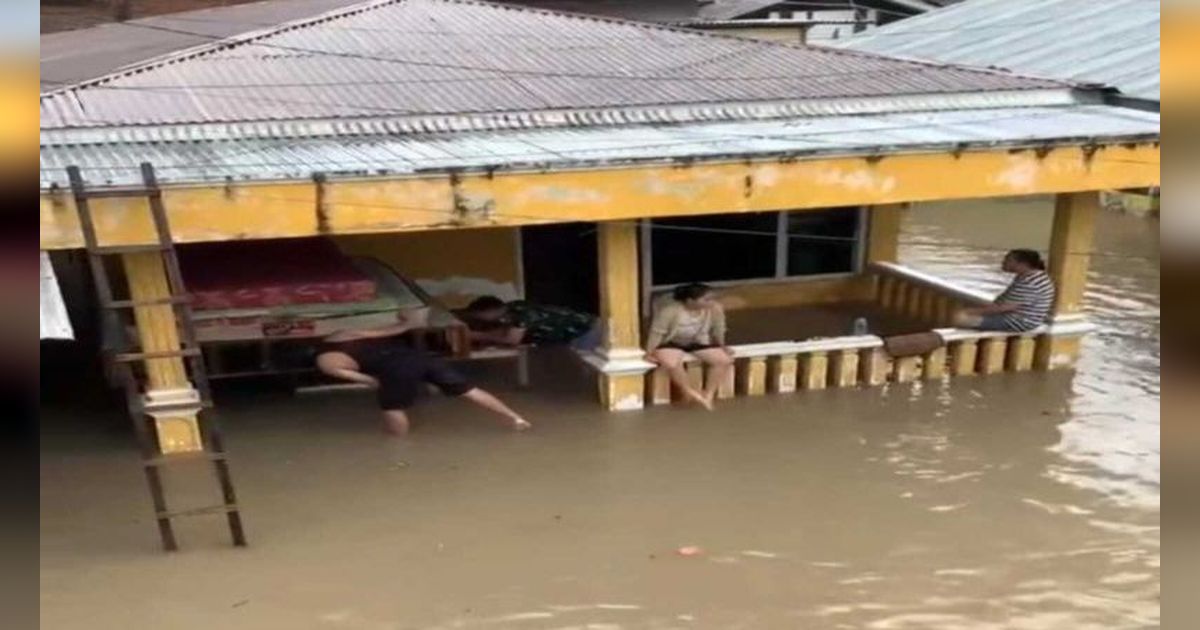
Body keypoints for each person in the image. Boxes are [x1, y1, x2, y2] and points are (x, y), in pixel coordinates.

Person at [316, 312, 531, 436]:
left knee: (392, 407)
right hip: (419, 356)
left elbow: (371, 381)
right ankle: (516, 418)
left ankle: (399, 445)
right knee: (468, 390)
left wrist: (391, 388)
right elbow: (394, 330)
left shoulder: (325, 363)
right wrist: (407, 322)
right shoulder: (340, 335)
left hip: (395, 368)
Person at [644, 283, 734, 410]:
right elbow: (657, 333)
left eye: (711, 299)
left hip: (698, 340)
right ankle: (689, 391)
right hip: (671, 341)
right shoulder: (670, 311)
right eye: (706, 299)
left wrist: (722, 345)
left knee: (724, 360)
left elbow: (719, 328)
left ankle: (709, 394)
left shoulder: (715, 308)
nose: (711, 302)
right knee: (671, 363)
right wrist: (649, 352)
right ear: (690, 301)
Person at [953, 249, 1056, 332]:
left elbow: (1005, 307)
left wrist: (971, 311)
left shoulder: (1031, 280)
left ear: (1022, 264)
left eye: (1008, 260)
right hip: (1013, 316)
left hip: (1018, 321)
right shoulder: (1029, 276)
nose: (1003, 262)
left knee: (960, 318)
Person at [460, 296, 603, 351]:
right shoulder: (512, 307)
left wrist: (476, 336)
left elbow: (511, 338)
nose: (481, 321)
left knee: (587, 364)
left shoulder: (520, 312)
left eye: (480, 317)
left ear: (489, 311)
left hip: (587, 329)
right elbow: (507, 332)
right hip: (580, 329)